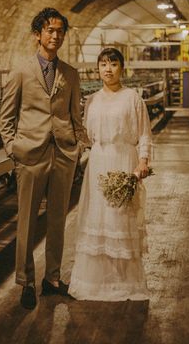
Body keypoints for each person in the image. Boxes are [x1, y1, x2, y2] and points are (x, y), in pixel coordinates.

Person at [0, 7, 89, 310]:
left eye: (60, 31)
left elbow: (77, 117)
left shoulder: (71, 74)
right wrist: (13, 148)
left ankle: (52, 278)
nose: (56, 36)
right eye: (50, 30)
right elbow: (7, 116)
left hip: (63, 154)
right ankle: (25, 281)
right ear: (37, 34)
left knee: (57, 220)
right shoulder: (21, 70)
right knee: (26, 221)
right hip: (31, 156)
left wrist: (80, 148)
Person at [69, 47, 152, 301]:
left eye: (113, 64)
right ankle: (94, 282)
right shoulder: (91, 100)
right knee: (98, 216)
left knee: (120, 216)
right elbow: (84, 134)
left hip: (123, 162)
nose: (108, 69)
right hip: (98, 163)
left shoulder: (133, 99)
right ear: (98, 69)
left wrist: (142, 162)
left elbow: (144, 134)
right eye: (103, 64)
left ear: (121, 68)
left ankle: (123, 282)